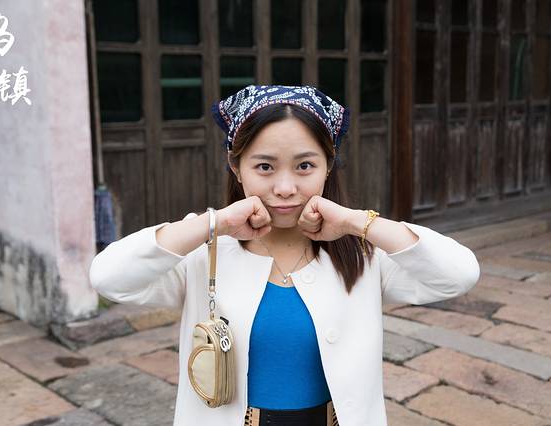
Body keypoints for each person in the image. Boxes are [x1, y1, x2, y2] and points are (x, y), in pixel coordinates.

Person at [89, 85, 481, 426]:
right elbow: (109, 277)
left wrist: (356, 221)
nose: (285, 187)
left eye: (305, 166)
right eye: (264, 166)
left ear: (328, 167)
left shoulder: (360, 253)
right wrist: (213, 223)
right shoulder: (204, 253)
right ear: (236, 167)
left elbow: (459, 274)